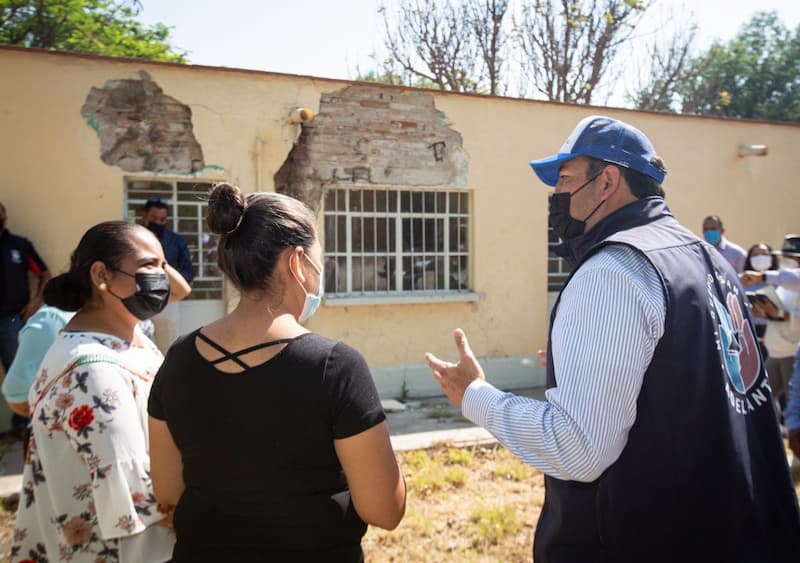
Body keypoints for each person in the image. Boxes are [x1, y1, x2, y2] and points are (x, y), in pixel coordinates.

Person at [425, 115, 800, 561]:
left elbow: (580, 449)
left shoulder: (614, 271)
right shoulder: (706, 257)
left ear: (607, 182)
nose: (557, 195)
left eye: (565, 178)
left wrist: (474, 394)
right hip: (737, 532)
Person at [148, 183, 405, 562]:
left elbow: (167, 495)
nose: (323, 270)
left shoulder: (178, 358)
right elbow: (385, 510)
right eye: (321, 258)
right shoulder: (335, 367)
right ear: (296, 262)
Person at [10, 221, 178, 562]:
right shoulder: (91, 370)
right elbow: (137, 493)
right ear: (101, 275)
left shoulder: (134, 341)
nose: (160, 278)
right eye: (148, 266)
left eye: (163, 267)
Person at [0, 202, 52, 433]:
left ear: (5, 215)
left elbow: (44, 274)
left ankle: (23, 425)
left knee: (18, 373)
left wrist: (36, 301)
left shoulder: (19, 246)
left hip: (13, 320)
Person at [141, 197, 194, 352]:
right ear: (144, 215)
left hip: (168, 302)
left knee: (168, 349)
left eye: (162, 219)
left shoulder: (176, 241)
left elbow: (188, 271)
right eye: (154, 218)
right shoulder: (132, 238)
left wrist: (171, 282)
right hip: (139, 300)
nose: (158, 223)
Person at [741, 243, 778, 358]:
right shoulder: (742, 280)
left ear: (772, 257)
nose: (760, 257)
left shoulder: (779, 281)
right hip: (748, 332)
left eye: (764, 254)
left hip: (773, 332)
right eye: (755, 254)